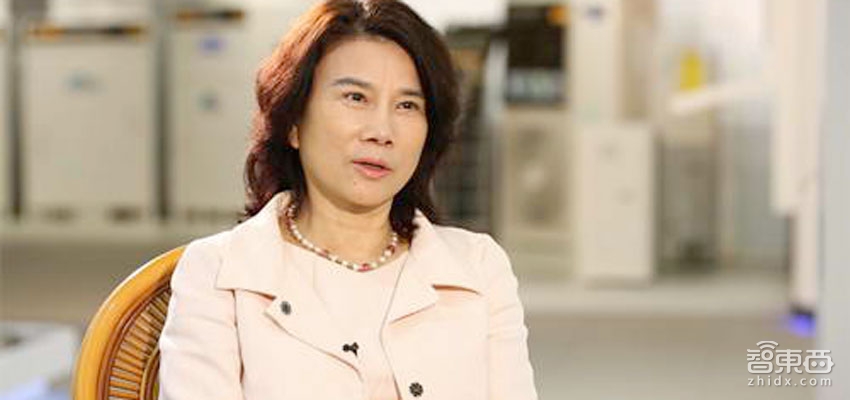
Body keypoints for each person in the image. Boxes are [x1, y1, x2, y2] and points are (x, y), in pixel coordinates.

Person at [158, 0, 538, 399]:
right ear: (293, 122)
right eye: (356, 97)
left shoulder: (479, 268)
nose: (381, 131)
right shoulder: (219, 274)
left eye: (407, 105)